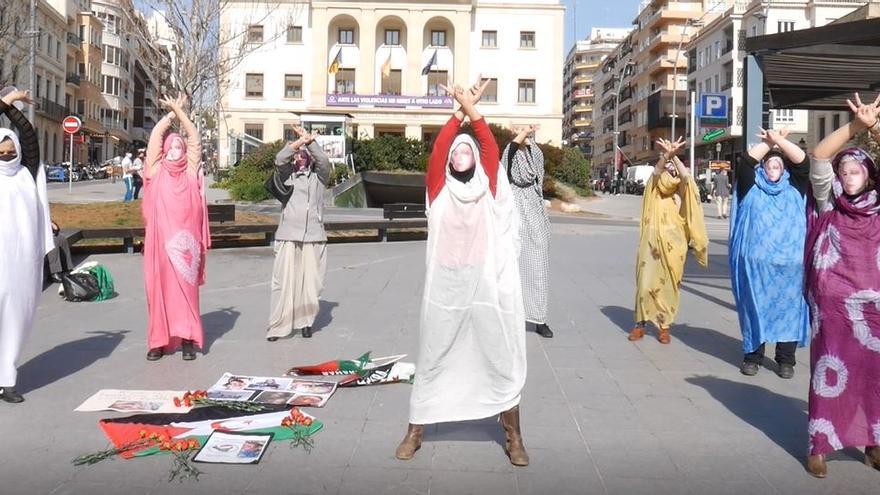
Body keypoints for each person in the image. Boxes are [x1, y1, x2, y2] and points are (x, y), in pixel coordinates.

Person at [395, 77, 529, 466]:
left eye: (465, 150)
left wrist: (471, 109)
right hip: (446, 290)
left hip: (485, 287)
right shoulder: (438, 189)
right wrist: (459, 111)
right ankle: (415, 430)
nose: (459, 153)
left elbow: (488, 144)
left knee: (499, 357)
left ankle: (514, 437)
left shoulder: (489, 188)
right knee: (434, 357)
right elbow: (439, 148)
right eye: (457, 151)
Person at [804, 93, 880, 478]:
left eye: (856, 171)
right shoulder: (828, 201)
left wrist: (876, 132)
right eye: (844, 170)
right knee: (827, 368)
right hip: (832, 302)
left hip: (874, 305)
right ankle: (820, 443)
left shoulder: (879, 204)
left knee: (873, 371)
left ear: (868, 176)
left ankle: (874, 440)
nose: (849, 176)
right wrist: (855, 128)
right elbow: (819, 154)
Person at [729, 128, 810, 378]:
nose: (774, 169)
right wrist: (767, 143)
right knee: (755, 309)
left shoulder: (795, 188)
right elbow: (746, 163)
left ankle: (786, 359)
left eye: (778, 165)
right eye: (769, 165)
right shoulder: (750, 187)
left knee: (788, 311)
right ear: (763, 168)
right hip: (755, 269)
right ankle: (752, 356)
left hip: (790, 269)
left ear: (785, 169)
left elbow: (804, 163)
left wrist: (780, 142)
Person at [142, 94, 209, 361]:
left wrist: (181, 114)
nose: (174, 150)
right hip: (159, 245)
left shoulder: (190, 171)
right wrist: (171, 114)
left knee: (187, 293)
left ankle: (188, 339)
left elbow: (194, 137)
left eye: (178, 147)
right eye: (170, 147)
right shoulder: (155, 170)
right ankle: (158, 341)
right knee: (158, 291)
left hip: (185, 247)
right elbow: (155, 137)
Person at [0, 89, 53, 403]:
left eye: (10, 152)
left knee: (16, 317)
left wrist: (10, 108)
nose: (6, 156)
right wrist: (7, 100)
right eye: (0, 152)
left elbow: (29, 135)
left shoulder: (26, 172)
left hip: (20, 265)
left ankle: (6, 379)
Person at [628, 137, 708, 344]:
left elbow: (687, 178)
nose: (670, 168)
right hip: (651, 245)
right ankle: (640, 324)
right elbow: (655, 173)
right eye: (668, 166)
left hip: (675, 247)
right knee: (645, 284)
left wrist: (676, 158)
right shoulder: (654, 189)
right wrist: (666, 156)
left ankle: (664, 327)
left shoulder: (682, 189)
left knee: (669, 287)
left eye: (673, 166)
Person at [266, 126, 330, 341]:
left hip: (314, 235)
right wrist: (298, 142)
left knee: (311, 283)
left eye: (305, 155)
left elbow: (324, 161)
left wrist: (310, 142)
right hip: (287, 235)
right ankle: (278, 326)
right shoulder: (287, 175)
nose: (301, 157)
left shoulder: (319, 178)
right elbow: (279, 158)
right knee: (283, 282)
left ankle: (305, 322)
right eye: (298, 155)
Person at [502, 124, 553, 338]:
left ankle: (539, 318)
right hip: (514, 206)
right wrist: (521, 135)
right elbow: (508, 157)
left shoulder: (535, 153)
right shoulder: (509, 151)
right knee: (511, 265)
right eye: (519, 130)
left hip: (533, 206)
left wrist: (528, 138)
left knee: (538, 264)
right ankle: (510, 316)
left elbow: (536, 168)